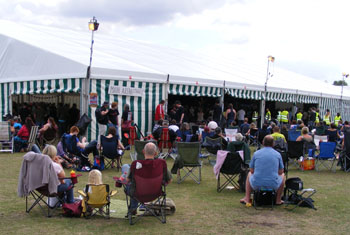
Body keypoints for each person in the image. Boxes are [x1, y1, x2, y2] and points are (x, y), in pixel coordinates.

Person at [123, 142, 172, 214]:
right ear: (155, 153)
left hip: (137, 193)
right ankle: (135, 207)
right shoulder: (161, 163)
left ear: (143, 152)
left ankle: (133, 208)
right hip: (156, 193)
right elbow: (169, 180)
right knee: (132, 181)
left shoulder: (135, 164)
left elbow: (127, 180)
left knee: (129, 180)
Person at [240, 135, 285, 205]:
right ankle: (278, 200)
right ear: (273, 144)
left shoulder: (256, 153)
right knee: (283, 175)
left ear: (263, 143)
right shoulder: (278, 155)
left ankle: (247, 198)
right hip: (273, 184)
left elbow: (252, 170)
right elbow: (281, 171)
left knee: (249, 174)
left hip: (256, 184)